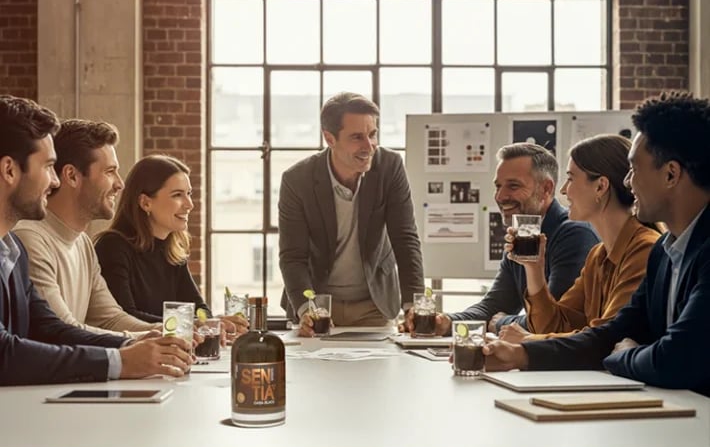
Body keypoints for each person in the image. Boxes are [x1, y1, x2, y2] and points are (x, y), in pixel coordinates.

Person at [486, 92, 710, 447]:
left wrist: (627, 353)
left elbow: (676, 358)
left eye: (634, 170)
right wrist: (523, 353)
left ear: (671, 174)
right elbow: (608, 334)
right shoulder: (665, 251)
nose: (629, 183)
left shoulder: (681, 250)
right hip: (667, 427)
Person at [0, 95, 191, 386]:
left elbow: (52, 328)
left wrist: (135, 345)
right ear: (9, 171)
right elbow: (6, 353)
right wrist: (122, 359)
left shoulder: (13, 251)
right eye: (48, 167)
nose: (53, 182)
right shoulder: (28, 241)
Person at [405, 143, 599, 336]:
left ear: (546, 189)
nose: (500, 196)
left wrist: (501, 322)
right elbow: (494, 305)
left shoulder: (574, 235)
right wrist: (446, 322)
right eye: (498, 186)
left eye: (513, 186)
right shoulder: (522, 236)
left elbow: (553, 321)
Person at [278, 91, 424, 336]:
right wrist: (308, 309)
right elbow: (293, 257)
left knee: (379, 373)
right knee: (313, 374)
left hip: (373, 305)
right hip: (319, 307)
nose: (369, 146)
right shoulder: (297, 180)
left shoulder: (390, 167)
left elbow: (405, 239)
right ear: (329, 138)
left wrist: (413, 306)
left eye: (373, 134)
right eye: (357, 137)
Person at [498, 134, 660, 343]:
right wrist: (534, 268)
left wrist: (529, 341)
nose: (564, 190)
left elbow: (607, 337)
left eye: (571, 178)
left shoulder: (644, 250)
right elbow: (555, 324)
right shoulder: (597, 256)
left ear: (600, 187)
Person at [13, 119, 158, 338]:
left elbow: (111, 318)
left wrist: (168, 332)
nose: (120, 184)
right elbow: (63, 330)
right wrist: (141, 340)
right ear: (72, 176)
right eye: (110, 172)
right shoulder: (29, 238)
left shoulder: (82, 243)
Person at [94, 155, 247, 336]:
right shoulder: (113, 247)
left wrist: (209, 323)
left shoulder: (173, 250)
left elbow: (199, 310)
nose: (190, 204)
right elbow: (124, 318)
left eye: (189, 194)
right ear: (145, 202)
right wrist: (196, 324)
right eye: (177, 195)